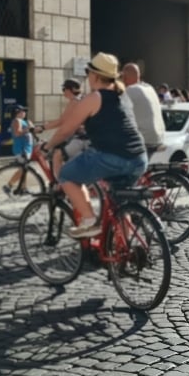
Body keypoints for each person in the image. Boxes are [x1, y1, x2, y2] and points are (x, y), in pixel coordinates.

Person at [42, 52, 147, 238]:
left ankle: (90, 220)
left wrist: (47, 146)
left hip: (111, 157)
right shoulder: (122, 96)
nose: (87, 77)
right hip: (138, 158)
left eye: (88, 73)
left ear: (95, 76)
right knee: (119, 204)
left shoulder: (95, 97)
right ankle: (127, 250)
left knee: (66, 175)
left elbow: (66, 130)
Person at [34, 79, 85, 180]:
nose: (63, 92)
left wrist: (42, 128)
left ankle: (61, 184)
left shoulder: (75, 101)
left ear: (70, 90)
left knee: (56, 155)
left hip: (79, 136)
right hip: (79, 135)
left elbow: (62, 121)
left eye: (64, 89)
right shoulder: (81, 99)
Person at [121, 63, 166, 154]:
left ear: (124, 77)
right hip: (158, 138)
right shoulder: (149, 88)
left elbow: (116, 112)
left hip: (144, 140)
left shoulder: (130, 90)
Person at [2, 105, 34, 195]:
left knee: (24, 169)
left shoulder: (23, 121)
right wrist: (29, 128)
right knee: (22, 169)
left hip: (26, 149)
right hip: (21, 149)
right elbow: (17, 133)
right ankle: (9, 185)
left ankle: (23, 188)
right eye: (23, 111)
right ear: (17, 112)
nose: (25, 112)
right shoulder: (17, 120)